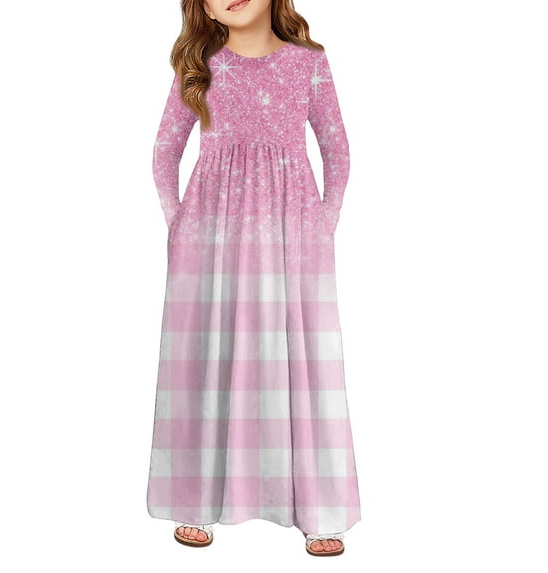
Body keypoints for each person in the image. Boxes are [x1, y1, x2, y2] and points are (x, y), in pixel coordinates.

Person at [146, 0, 361, 556]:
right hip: (209, 238)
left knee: (303, 359)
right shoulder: (199, 65)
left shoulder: (308, 63)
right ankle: (195, 499)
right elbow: (165, 151)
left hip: (293, 235)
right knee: (206, 357)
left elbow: (337, 149)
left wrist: (325, 222)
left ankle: (320, 507)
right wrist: (178, 223)